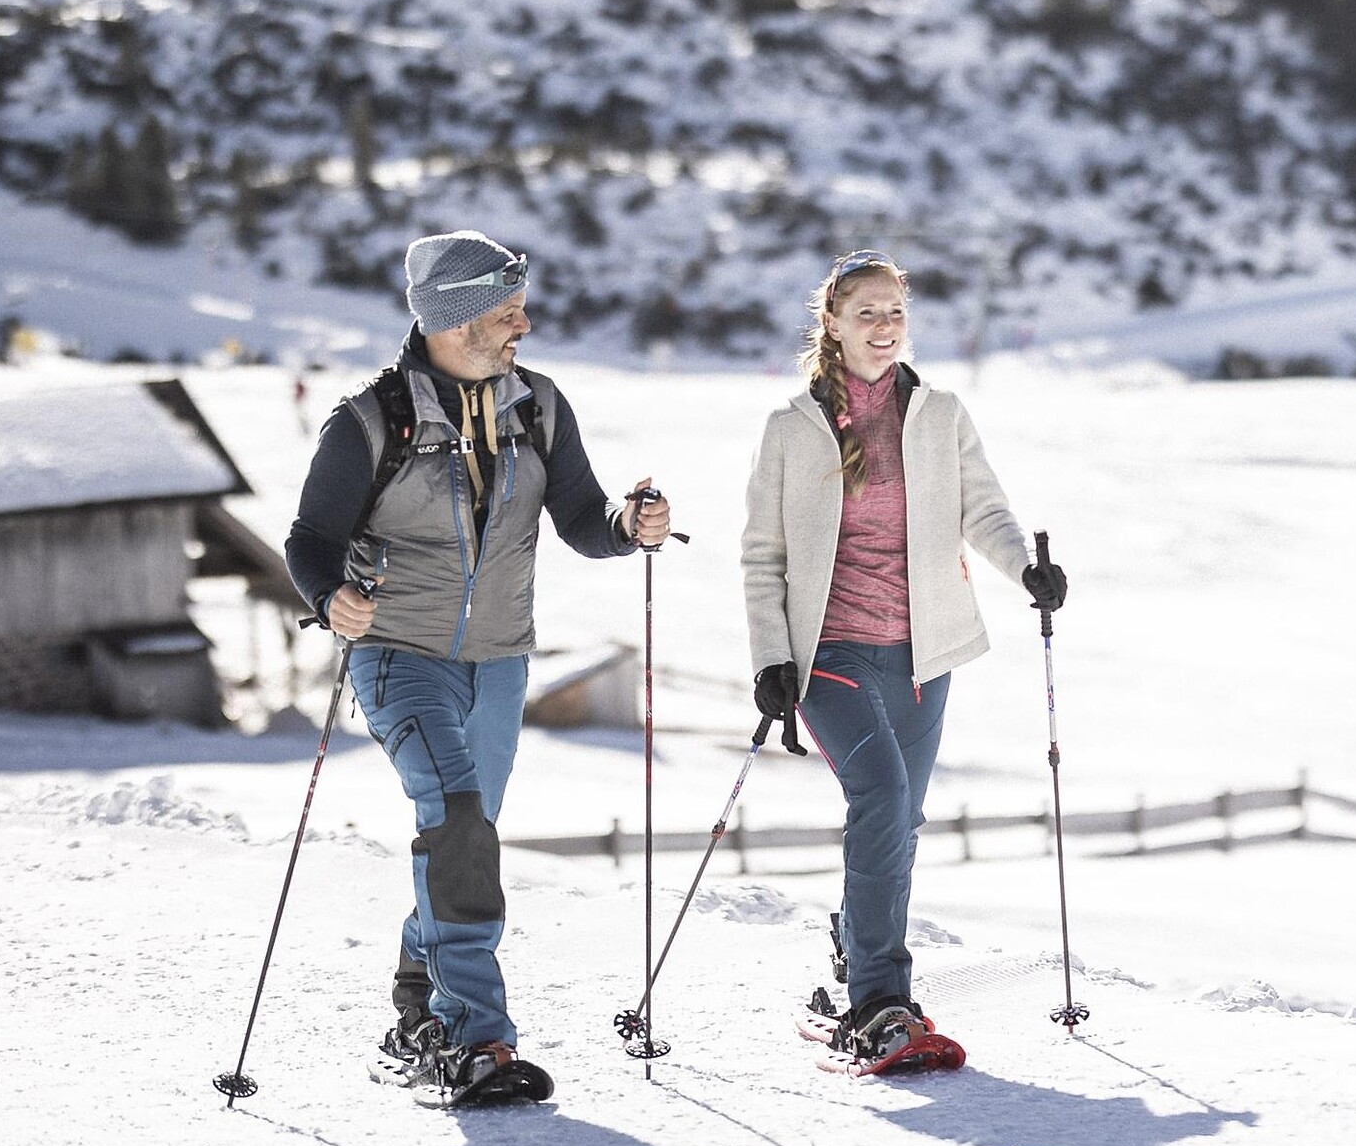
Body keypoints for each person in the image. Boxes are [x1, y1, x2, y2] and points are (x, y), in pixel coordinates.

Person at [285, 230, 672, 1095]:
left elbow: (579, 515)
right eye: (506, 313)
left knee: (466, 839)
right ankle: (476, 1037)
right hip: (398, 655)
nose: (523, 326)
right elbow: (309, 540)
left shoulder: (539, 406)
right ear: (454, 321)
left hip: (499, 663)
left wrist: (625, 527)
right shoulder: (367, 422)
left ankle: (417, 1005)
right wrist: (329, 597)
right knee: (457, 818)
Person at [741, 248, 1068, 1062]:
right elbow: (762, 554)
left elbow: (984, 510)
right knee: (882, 796)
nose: (884, 328)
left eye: (895, 313)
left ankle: (857, 942)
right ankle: (881, 998)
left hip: (924, 652)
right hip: (829, 652)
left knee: (901, 817)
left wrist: (1027, 567)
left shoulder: (941, 414)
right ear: (833, 322)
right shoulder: (792, 427)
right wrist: (770, 657)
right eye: (867, 313)